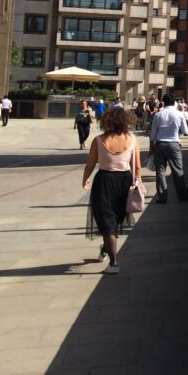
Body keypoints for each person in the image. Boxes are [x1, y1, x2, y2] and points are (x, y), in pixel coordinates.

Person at [82, 107, 141, 275]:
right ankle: (106, 249)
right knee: (114, 219)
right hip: (125, 180)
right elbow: (137, 166)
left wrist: (85, 178)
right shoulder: (132, 139)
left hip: (104, 181)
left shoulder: (98, 140)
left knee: (106, 219)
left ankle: (114, 263)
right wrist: (138, 182)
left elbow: (90, 164)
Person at [148, 93, 188, 204]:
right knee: (178, 171)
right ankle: (182, 195)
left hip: (160, 144)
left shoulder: (157, 115)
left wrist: (151, 148)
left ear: (163, 102)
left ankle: (162, 197)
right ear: (174, 102)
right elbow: (185, 131)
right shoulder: (179, 114)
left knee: (160, 171)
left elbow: (153, 135)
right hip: (174, 143)